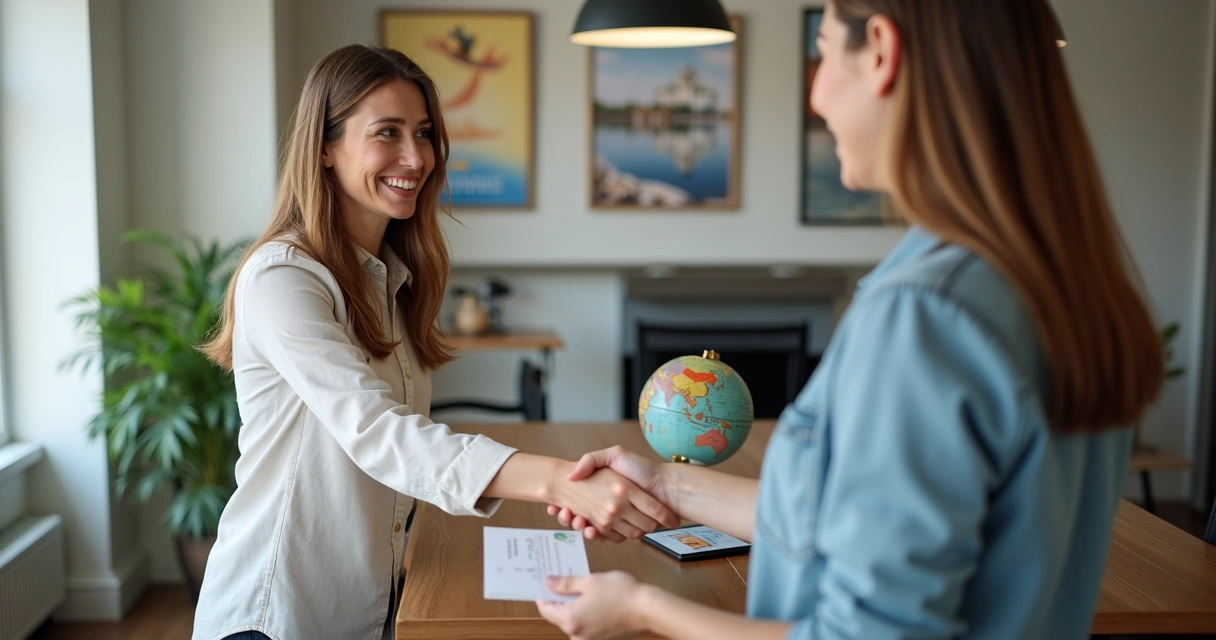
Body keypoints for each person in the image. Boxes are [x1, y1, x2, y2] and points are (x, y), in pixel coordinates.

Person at [538, 1, 1165, 638]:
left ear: (883, 53)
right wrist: (670, 485)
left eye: (825, 54)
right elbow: (844, 519)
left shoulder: (926, 317)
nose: (815, 96)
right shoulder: (1060, 281)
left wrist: (642, 608)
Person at [192, 44, 677, 640]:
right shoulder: (283, 276)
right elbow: (377, 431)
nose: (415, 156)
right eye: (387, 133)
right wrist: (555, 479)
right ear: (324, 146)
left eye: (423, 134)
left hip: (369, 603)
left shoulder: (390, 276)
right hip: (279, 613)